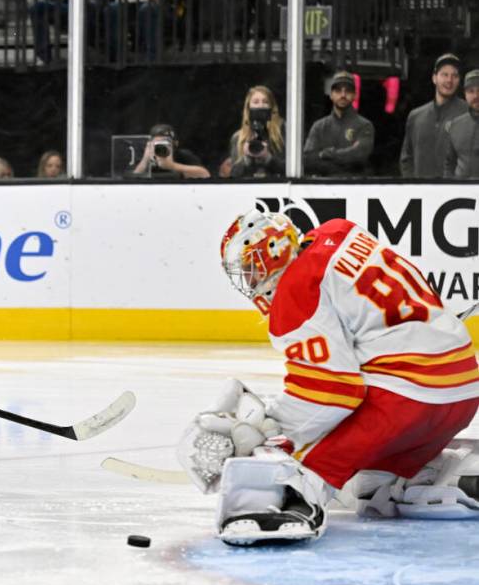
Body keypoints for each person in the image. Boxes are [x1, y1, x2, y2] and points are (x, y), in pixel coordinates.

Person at [176, 209, 479, 546]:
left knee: (295, 465)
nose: (250, 281)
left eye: (251, 267)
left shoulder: (296, 289)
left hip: (408, 401)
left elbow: (333, 392)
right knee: (368, 485)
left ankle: (286, 507)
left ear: (273, 251)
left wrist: (272, 431)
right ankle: (434, 476)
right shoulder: (340, 232)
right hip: (461, 391)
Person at [400, 54, 468, 179]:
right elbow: (406, 158)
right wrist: (411, 185)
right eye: (444, 74)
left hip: (455, 193)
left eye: (455, 75)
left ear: (459, 81)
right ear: (434, 78)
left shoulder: (469, 114)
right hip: (421, 193)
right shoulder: (416, 116)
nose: (449, 80)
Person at [302, 71, 375, 177]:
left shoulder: (365, 125)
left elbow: (359, 155)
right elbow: (308, 160)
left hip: (355, 188)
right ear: (331, 95)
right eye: (338, 90)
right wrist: (346, 155)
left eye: (348, 91)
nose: (343, 95)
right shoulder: (319, 126)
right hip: (323, 187)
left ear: (354, 95)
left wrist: (326, 154)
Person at [229, 85, 285, 179]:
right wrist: (246, 158)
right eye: (256, 102)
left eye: (265, 102)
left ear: (272, 107)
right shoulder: (238, 137)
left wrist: (268, 158)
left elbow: (290, 171)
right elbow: (234, 175)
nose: (260, 106)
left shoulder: (283, 132)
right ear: (248, 107)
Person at [132, 123, 209, 178]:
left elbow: (205, 174)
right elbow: (131, 178)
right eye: (157, 143)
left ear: (175, 144)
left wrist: (172, 166)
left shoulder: (182, 155)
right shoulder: (144, 156)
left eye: (165, 142)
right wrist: (145, 160)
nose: (161, 146)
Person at [443, 69, 479, 179]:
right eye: (471, 91)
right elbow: (449, 164)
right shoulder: (456, 125)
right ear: (465, 94)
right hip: (461, 193)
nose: (476, 96)